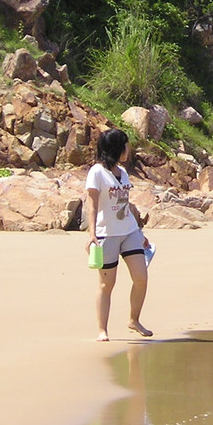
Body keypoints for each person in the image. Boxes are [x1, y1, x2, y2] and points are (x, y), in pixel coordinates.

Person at [84, 128, 153, 341]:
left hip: (129, 231)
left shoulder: (122, 172)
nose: (128, 149)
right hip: (107, 234)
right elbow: (92, 204)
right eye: (125, 144)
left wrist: (140, 232)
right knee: (107, 284)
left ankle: (134, 319)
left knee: (141, 277)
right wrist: (92, 233)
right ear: (116, 147)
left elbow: (125, 203)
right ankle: (102, 330)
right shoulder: (97, 172)